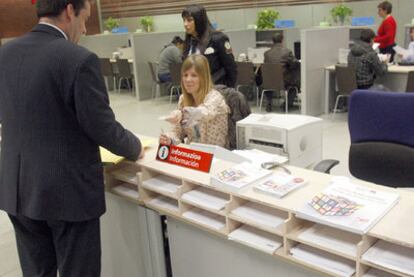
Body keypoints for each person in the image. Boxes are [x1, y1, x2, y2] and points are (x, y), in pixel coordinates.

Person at [0, 1, 143, 276]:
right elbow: (102, 127)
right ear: (69, 10)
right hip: (66, 194)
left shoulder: (6, 54)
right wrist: (135, 146)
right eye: (85, 18)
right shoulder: (78, 59)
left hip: (17, 189)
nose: (85, 28)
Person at [160, 54, 229, 148]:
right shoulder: (183, 99)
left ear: (204, 78)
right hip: (193, 155)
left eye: (194, 75)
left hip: (216, 156)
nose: (188, 79)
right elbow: (177, 132)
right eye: (185, 75)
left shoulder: (215, 97)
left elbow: (205, 113)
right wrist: (169, 139)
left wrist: (183, 113)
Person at [181, 5, 237, 87]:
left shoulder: (218, 38)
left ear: (199, 20)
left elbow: (231, 68)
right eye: (184, 20)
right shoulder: (189, 41)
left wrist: (226, 92)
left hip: (215, 89)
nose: (185, 24)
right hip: (195, 91)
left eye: (189, 20)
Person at [263, 33, 300, 112]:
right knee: (295, 84)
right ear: (282, 40)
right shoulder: (287, 52)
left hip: (269, 82)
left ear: (273, 41)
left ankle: (269, 103)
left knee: (270, 79)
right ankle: (286, 105)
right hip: (283, 82)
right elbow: (295, 64)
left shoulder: (266, 53)